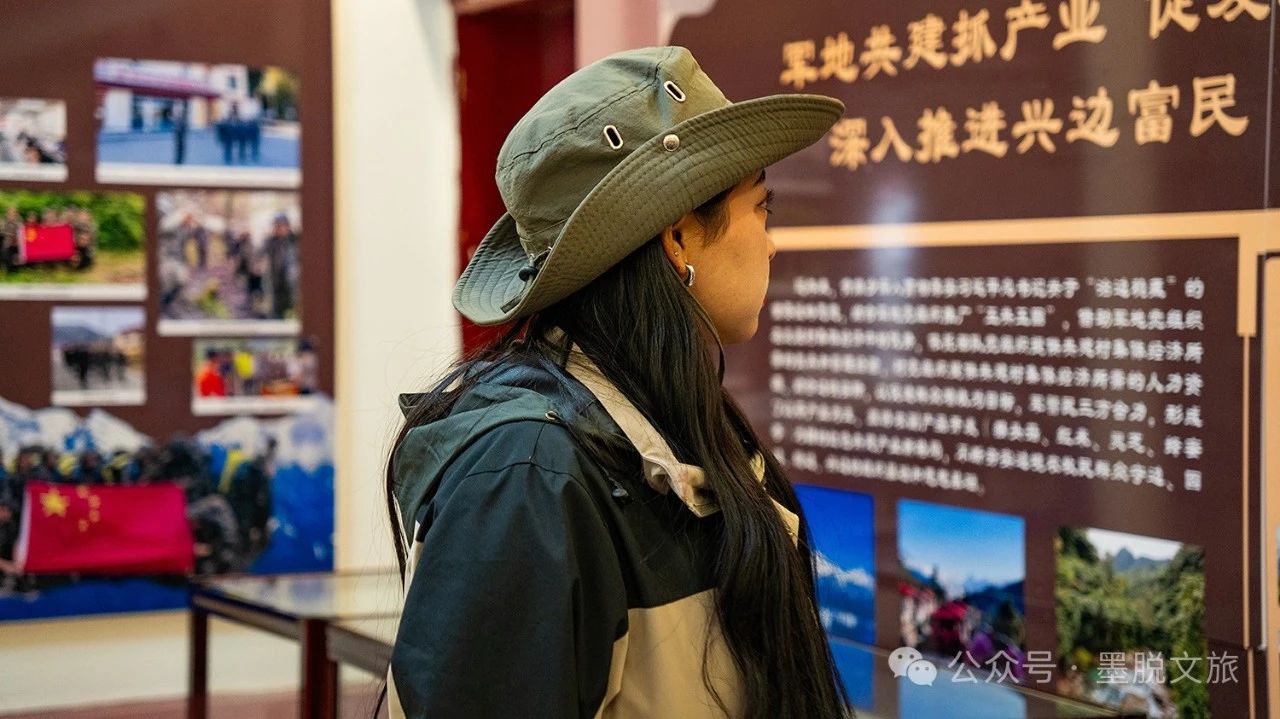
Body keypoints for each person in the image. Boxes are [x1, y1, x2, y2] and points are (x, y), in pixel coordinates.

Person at [380, 47, 849, 718]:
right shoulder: (529, 477)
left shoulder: (666, 428)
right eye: (760, 207)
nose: (771, 243)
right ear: (679, 239)